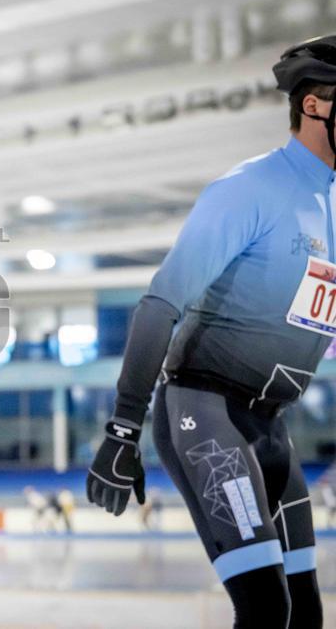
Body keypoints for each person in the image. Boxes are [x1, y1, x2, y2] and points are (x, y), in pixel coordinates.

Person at [85, 36, 336, 628]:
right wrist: (123, 429)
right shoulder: (248, 190)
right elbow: (160, 303)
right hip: (205, 408)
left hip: (271, 426)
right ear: (314, 107)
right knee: (265, 609)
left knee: (305, 614)